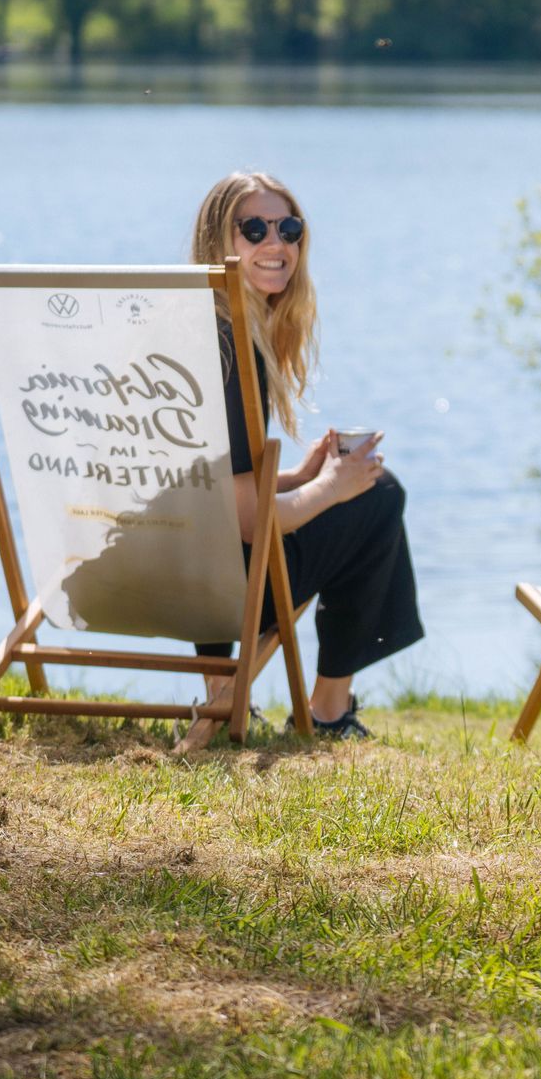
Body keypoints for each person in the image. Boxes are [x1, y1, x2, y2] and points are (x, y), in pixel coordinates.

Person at [188, 169, 422, 740]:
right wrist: (334, 487)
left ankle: (222, 691)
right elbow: (248, 522)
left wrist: (299, 476)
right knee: (378, 493)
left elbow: (208, 488)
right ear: (220, 240)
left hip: (158, 574)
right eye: (255, 228)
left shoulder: (180, 341)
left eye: (289, 228)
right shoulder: (230, 351)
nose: (278, 243)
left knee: (351, 488)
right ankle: (328, 710)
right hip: (228, 588)